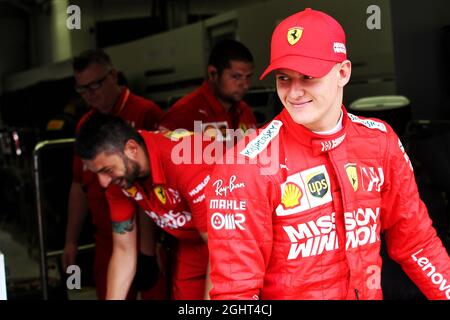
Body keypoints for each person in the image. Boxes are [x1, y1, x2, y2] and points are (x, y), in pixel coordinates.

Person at [205, 8, 450, 300]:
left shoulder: (379, 141)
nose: (294, 92)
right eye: (284, 78)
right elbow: (236, 293)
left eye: (308, 76)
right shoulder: (246, 164)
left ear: (343, 73)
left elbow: (415, 242)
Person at [74, 113, 213, 300]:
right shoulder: (119, 179)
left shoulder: (186, 164)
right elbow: (123, 251)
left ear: (132, 149)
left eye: (106, 170)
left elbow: (224, 249)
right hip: (194, 242)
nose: (103, 183)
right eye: (97, 173)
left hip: (240, 239)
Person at [62, 49, 165, 300]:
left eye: (95, 85)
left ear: (113, 76)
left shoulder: (146, 113)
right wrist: (71, 240)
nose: (90, 95)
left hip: (152, 236)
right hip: (109, 235)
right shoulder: (85, 125)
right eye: (82, 90)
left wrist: (148, 250)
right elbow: (79, 185)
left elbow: (158, 183)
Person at [159, 39, 258, 139]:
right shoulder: (183, 114)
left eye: (248, 76)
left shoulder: (245, 112)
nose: (245, 85)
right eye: (236, 76)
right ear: (212, 73)